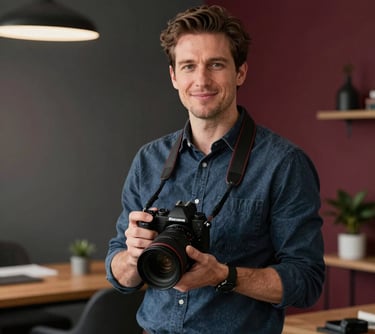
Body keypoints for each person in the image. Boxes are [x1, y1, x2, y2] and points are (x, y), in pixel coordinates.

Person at [105, 4, 325, 333]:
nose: (201, 80)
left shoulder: (283, 164)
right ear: (174, 77)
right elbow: (119, 274)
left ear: (240, 72)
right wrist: (132, 257)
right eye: (189, 66)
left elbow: (306, 281)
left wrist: (225, 276)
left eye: (216, 64)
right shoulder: (149, 160)